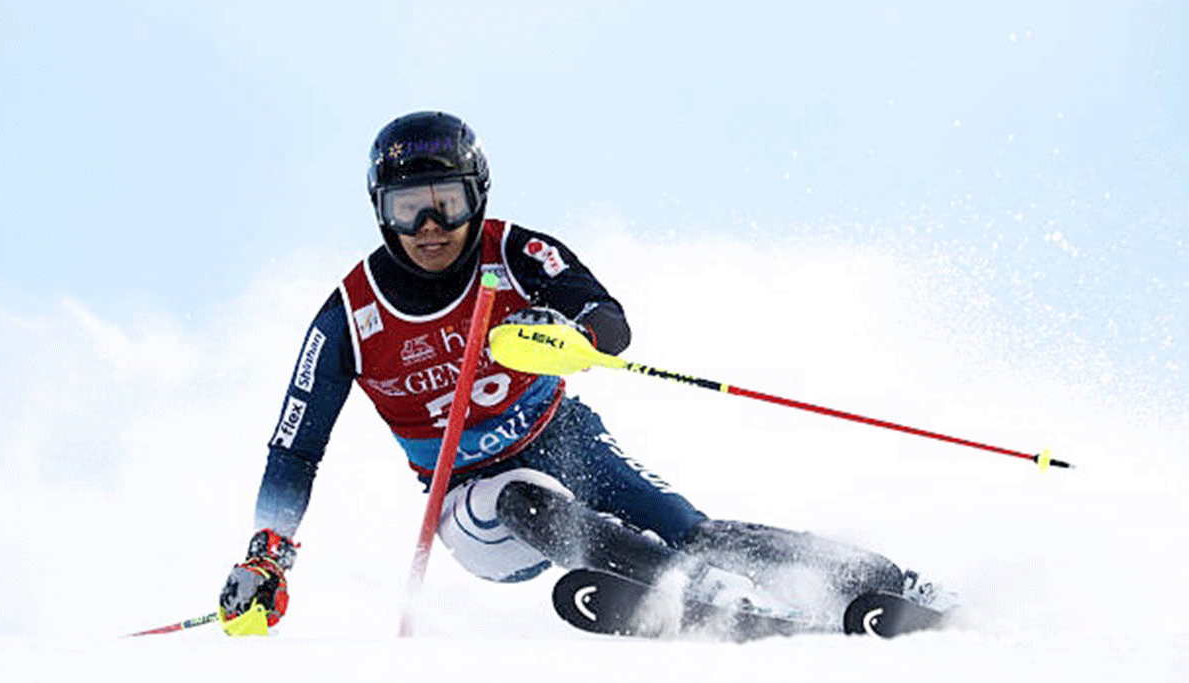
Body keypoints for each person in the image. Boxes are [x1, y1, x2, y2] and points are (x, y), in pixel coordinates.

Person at [218, 111, 952, 639]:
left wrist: (570, 334)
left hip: (560, 432)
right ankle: (691, 591)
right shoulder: (350, 315)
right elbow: (295, 448)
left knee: (687, 527)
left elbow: (608, 320)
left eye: (447, 204)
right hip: (468, 495)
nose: (430, 228)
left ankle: (874, 578)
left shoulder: (516, 253)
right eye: (408, 210)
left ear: (478, 196)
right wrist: (267, 555)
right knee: (521, 499)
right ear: (381, 213)